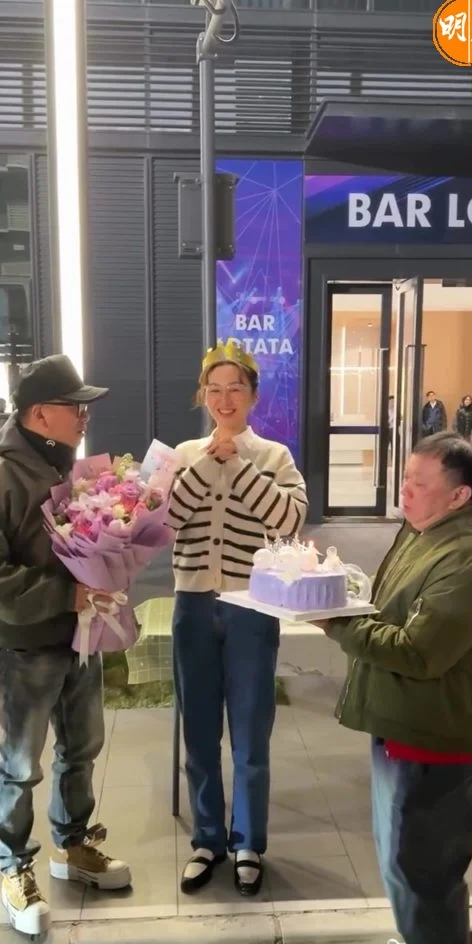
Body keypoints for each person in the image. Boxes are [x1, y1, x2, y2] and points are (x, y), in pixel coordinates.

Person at [321, 432, 472, 944]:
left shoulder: (468, 561)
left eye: (419, 484)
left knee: (426, 863)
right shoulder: (425, 530)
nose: (403, 491)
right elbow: (391, 606)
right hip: (406, 719)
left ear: (459, 496)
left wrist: (334, 621)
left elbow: (418, 652)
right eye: (404, 477)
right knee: (402, 856)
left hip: (438, 734)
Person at [0, 355, 132, 938]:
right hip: (28, 649)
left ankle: (73, 846)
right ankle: (15, 869)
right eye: (75, 407)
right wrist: (63, 595)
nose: (84, 416)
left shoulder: (76, 475)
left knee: (83, 749)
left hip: (81, 640)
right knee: (21, 765)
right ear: (39, 414)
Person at [167, 339, 308, 897]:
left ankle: (248, 842)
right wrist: (209, 461)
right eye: (214, 389)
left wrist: (240, 466)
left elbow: (288, 522)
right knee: (199, 729)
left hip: (253, 607)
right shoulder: (183, 454)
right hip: (192, 606)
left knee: (250, 731)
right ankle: (207, 839)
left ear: (253, 395)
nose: (224, 400)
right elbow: (166, 521)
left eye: (235, 389)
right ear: (203, 395)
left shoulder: (275, 456)